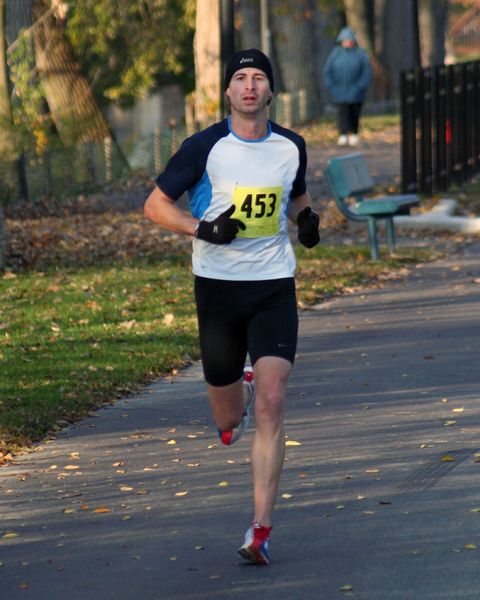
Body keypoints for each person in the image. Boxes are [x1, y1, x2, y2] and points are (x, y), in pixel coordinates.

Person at [144, 48, 320, 566]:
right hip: (218, 287)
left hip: (273, 284)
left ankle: (260, 527)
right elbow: (155, 206)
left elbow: (297, 196)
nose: (249, 86)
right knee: (227, 418)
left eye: (258, 78)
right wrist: (204, 229)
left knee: (273, 401)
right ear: (227, 90)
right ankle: (235, 392)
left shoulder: (291, 145)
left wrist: (306, 221)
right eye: (240, 77)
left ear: (271, 91)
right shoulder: (204, 147)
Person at [323, 26, 372, 147]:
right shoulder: (335, 54)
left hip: (356, 91)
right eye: (345, 40)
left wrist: (359, 86)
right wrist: (332, 86)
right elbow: (327, 71)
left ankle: (354, 134)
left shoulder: (360, 54)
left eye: (349, 40)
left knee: (354, 112)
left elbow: (366, 72)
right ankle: (342, 134)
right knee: (342, 113)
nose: (347, 42)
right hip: (339, 90)